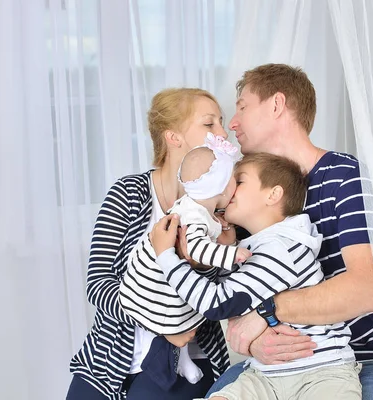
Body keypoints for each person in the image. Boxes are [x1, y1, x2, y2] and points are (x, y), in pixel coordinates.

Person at [209, 64, 373, 400]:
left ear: (277, 104)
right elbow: (236, 296)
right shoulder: (245, 198)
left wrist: (266, 312)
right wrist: (253, 339)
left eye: (242, 107)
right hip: (272, 366)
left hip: (357, 359)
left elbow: (369, 289)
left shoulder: (345, 176)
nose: (232, 124)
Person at [150, 152, 362, 400]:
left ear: (273, 195)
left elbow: (218, 304)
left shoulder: (282, 247)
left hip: (321, 372)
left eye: (238, 181)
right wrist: (221, 251)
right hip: (265, 375)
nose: (228, 188)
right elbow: (236, 295)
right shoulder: (256, 247)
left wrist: (165, 256)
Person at [66, 88, 231, 400]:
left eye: (221, 123)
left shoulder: (222, 205)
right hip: (107, 359)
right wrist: (161, 323)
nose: (223, 133)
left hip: (190, 359)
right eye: (210, 124)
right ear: (173, 137)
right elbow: (98, 283)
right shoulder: (128, 193)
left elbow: (226, 290)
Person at [117, 133, 250, 386]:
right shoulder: (195, 216)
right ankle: (176, 357)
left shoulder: (201, 209)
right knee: (181, 312)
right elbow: (197, 249)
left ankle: (183, 358)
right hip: (153, 279)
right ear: (221, 187)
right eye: (234, 179)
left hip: (168, 278)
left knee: (188, 308)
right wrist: (231, 253)